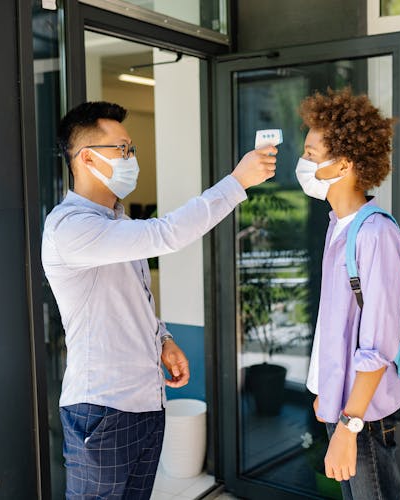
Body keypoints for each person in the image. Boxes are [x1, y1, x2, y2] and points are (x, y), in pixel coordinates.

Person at [42, 101, 277, 499]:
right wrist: (236, 183)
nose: (131, 158)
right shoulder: (70, 227)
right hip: (103, 409)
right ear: (85, 158)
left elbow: (131, 299)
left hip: (145, 403)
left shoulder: (117, 221)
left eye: (131, 149)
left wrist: (163, 339)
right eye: (122, 149)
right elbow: (167, 234)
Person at [298, 88, 400, 500]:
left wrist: (348, 425)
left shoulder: (375, 234)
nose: (304, 163)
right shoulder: (338, 225)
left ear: (343, 164)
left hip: (362, 412)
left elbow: (377, 345)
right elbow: (336, 322)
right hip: (343, 402)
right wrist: (325, 390)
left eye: (311, 154)